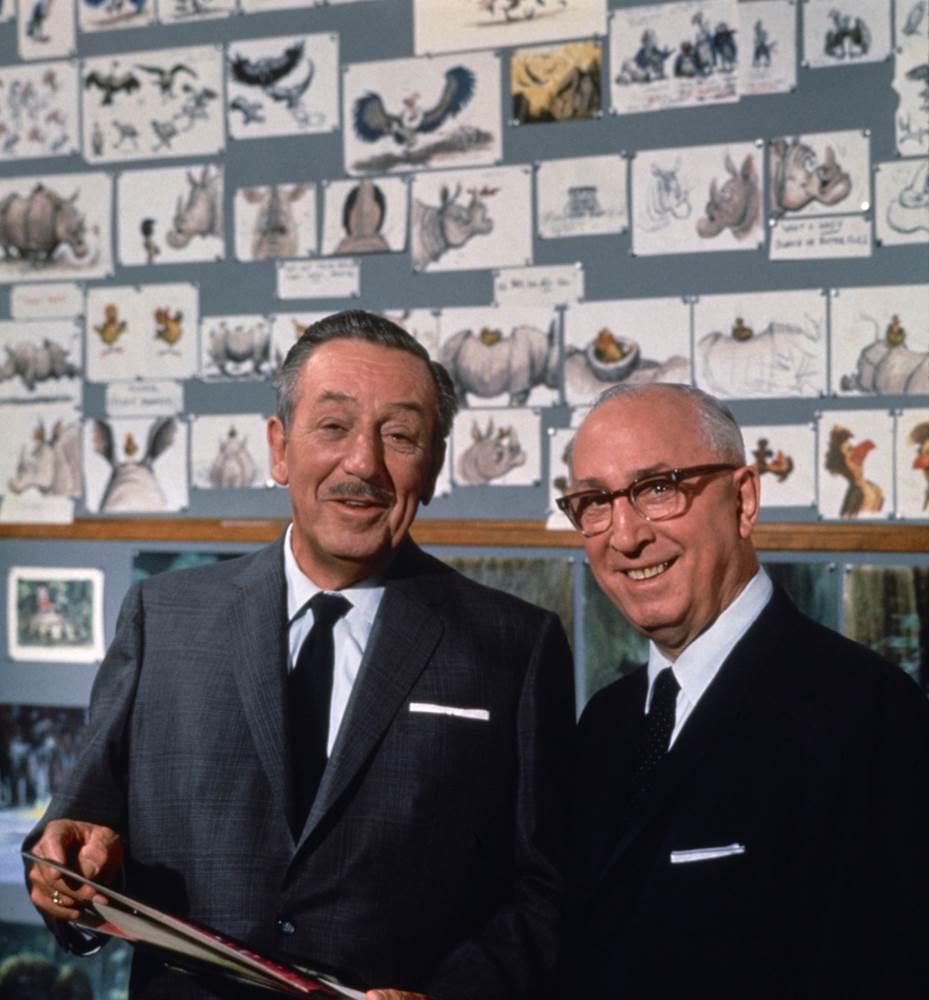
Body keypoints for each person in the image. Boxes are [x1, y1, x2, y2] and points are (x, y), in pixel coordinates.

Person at [25, 310, 575, 1000]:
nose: (363, 464)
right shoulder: (162, 618)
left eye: (400, 436)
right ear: (279, 448)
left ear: (434, 466)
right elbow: (76, 843)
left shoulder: (513, 646)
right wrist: (64, 876)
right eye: (334, 426)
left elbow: (545, 893)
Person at [558, 383, 929, 998]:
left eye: (658, 489)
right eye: (595, 501)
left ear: (744, 501)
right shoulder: (605, 722)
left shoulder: (869, 715)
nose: (625, 536)